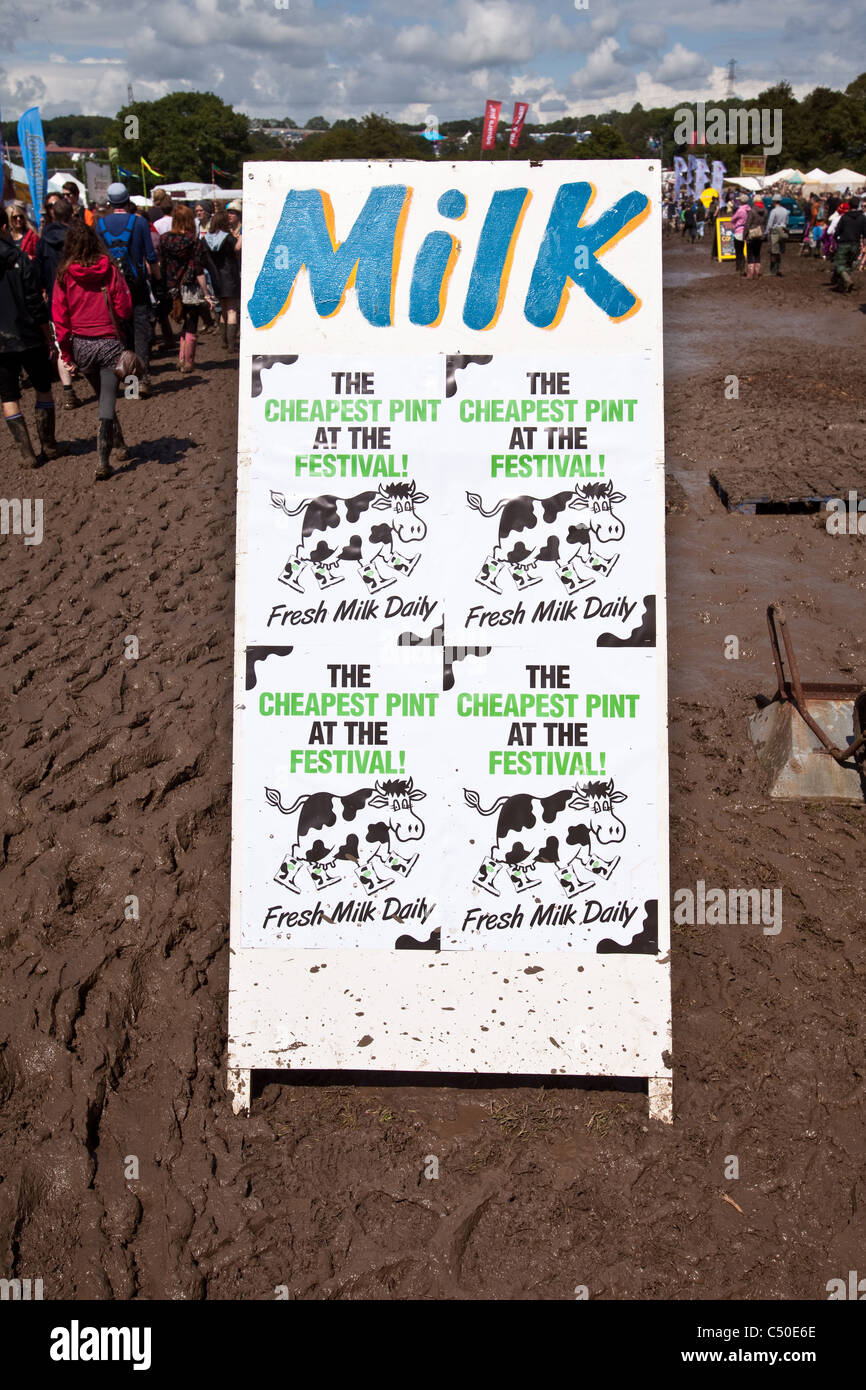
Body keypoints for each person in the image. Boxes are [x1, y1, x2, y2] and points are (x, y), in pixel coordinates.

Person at [52, 217, 133, 480]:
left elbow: (60, 318)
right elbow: (124, 308)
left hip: (81, 346)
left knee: (103, 397)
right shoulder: (108, 267)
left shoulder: (64, 274)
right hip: (108, 342)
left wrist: (66, 354)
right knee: (107, 400)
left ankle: (119, 445)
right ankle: (103, 460)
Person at [0, 204, 61, 466]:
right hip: (29, 335)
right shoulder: (20, 258)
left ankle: (27, 454)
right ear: (4, 227)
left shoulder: (20, 257)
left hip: (1, 343)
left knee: (8, 396)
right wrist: (48, 335)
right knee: (43, 389)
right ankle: (48, 445)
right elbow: (36, 303)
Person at [96, 182, 160, 396]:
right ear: (127, 199)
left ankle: (131, 386)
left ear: (110, 201)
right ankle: (143, 380)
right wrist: (158, 279)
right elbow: (150, 256)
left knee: (123, 335)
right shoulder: (139, 223)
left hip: (112, 286)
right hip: (137, 284)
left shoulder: (100, 224)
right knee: (141, 331)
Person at [34, 195, 83, 410]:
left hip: (55, 296)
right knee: (85, 336)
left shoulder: (44, 240)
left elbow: (37, 271)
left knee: (61, 342)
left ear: (53, 214)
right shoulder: (76, 238)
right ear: (71, 214)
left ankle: (68, 390)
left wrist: (44, 289)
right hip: (78, 294)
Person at [158, 203, 217, 374]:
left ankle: (181, 359)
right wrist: (206, 293)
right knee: (191, 323)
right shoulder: (193, 241)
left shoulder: (164, 239)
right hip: (190, 288)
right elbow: (198, 270)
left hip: (171, 288)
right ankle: (188, 361)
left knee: (182, 322)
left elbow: (162, 265)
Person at [200, 210, 241, 351]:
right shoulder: (228, 238)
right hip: (230, 277)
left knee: (223, 309)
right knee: (231, 310)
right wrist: (242, 236)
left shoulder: (205, 239)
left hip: (215, 278)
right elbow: (237, 248)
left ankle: (223, 341)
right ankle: (231, 345)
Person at [831, 196, 866, 292]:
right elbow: (865, 233)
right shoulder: (862, 218)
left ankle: (847, 280)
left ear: (849, 205)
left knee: (839, 263)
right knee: (849, 264)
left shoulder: (845, 217)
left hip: (844, 243)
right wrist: (864, 246)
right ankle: (844, 285)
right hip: (855, 244)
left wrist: (833, 241)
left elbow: (837, 231)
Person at [765, 194, 790, 277]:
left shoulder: (774, 211)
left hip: (775, 231)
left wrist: (766, 232)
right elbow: (787, 222)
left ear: (774, 202)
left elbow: (770, 223)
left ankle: (772, 270)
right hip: (783, 230)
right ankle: (778, 268)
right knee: (779, 251)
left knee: (773, 251)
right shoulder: (785, 210)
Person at [744, 198, 766, 279]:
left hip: (751, 234)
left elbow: (747, 224)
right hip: (760, 234)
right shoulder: (765, 211)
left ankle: (750, 273)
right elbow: (764, 223)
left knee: (750, 253)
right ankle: (756, 273)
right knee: (757, 253)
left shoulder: (752, 211)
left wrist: (744, 235)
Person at [729, 194, 750, 276]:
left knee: (739, 251)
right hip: (748, 231)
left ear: (741, 201)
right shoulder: (749, 209)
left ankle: (740, 268)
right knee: (748, 250)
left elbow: (732, 219)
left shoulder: (740, 210)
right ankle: (746, 267)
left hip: (739, 231)